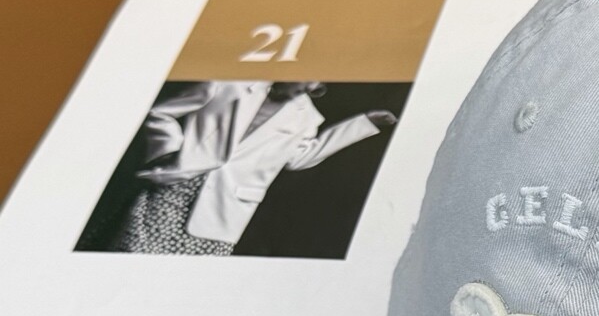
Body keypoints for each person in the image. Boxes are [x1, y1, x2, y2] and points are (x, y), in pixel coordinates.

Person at [111, 80, 396, 255]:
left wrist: (364, 123)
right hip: (176, 184)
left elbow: (300, 159)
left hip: (224, 210)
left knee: (187, 281)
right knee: (132, 255)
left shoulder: (307, 117)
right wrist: (169, 150)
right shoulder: (228, 84)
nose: (307, 83)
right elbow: (161, 113)